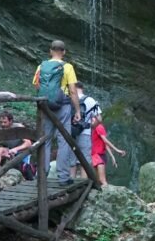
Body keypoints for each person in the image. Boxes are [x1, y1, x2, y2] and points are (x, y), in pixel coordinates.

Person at [32, 40, 81, 184]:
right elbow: (72, 90)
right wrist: (77, 110)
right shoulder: (67, 67)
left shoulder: (41, 66)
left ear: (50, 51)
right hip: (63, 107)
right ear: (64, 52)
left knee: (45, 141)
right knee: (64, 141)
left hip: (46, 106)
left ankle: (42, 175)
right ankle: (63, 177)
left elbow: (37, 86)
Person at [71, 82, 101, 179]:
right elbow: (99, 119)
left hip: (70, 133)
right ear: (82, 88)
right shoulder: (90, 100)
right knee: (84, 162)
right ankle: (83, 186)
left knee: (72, 162)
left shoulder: (69, 98)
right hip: (85, 133)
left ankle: (70, 186)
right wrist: (91, 126)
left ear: (73, 87)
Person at [91, 111, 126, 187]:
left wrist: (115, 153)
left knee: (102, 181)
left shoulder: (99, 127)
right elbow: (105, 142)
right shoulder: (96, 128)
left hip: (98, 156)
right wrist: (114, 154)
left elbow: (105, 142)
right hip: (97, 156)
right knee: (99, 181)